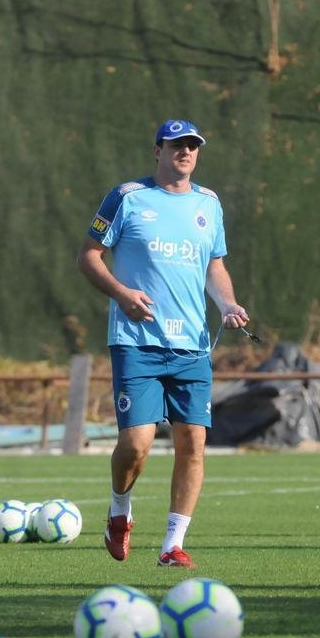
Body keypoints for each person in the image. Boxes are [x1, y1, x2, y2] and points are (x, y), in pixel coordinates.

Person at [77, 118, 248, 569]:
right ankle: (119, 510)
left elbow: (215, 266)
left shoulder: (209, 204)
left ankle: (172, 544)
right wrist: (121, 294)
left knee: (193, 442)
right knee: (137, 444)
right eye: (176, 146)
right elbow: (88, 255)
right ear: (158, 151)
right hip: (136, 340)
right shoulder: (128, 197)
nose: (185, 153)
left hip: (191, 346)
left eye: (192, 146)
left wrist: (228, 303)